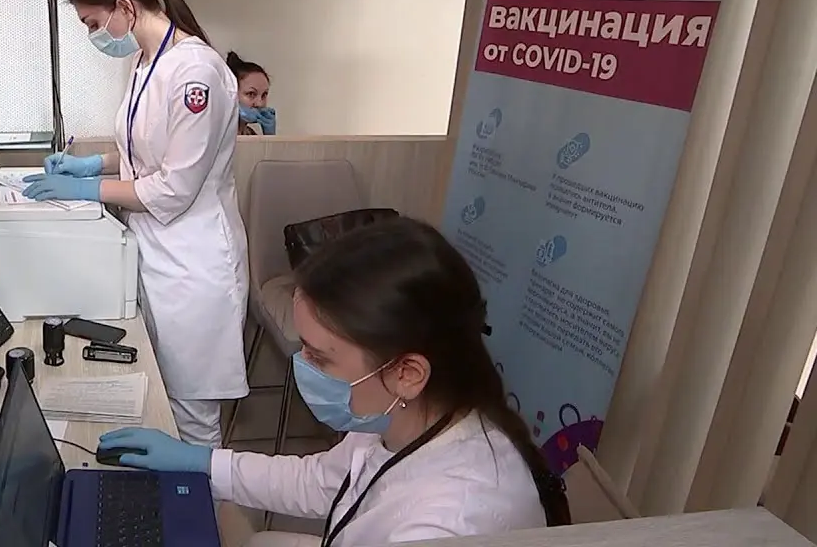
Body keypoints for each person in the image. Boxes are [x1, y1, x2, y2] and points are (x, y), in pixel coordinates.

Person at [96, 218, 572, 546]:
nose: (301, 365)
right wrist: (202, 463)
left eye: (320, 357)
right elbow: (324, 481)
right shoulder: (400, 414)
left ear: (407, 373)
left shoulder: (445, 523)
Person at [21, 0, 248, 447]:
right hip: (156, 252)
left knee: (193, 415)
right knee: (164, 398)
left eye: (92, 22)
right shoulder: (147, 61)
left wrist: (88, 189)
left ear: (125, 7)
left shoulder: (195, 73)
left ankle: (200, 496)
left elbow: (174, 186)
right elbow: (148, 153)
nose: (93, 34)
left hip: (193, 266)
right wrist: (95, 163)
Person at [228, 51, 276, 135]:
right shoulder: (216, 134)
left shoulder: (250, 134)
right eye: (251, 94)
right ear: (231, 94)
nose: (260, 104)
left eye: (264, 95)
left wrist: (269, 137)